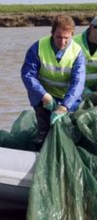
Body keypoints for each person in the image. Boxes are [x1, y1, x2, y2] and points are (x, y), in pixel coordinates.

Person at [21, 14, 86, 149]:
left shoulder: (77, 52)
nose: (62, 42)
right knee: (44, 133)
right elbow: (28, 75)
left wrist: (64, 106)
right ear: (52, 33)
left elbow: (78, 82)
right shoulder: (38, 47)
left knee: (69, 133)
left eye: (66, 38)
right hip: (43, 97)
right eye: (59, 37)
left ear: (72, 35)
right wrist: (44, 95)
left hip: (66, 98)